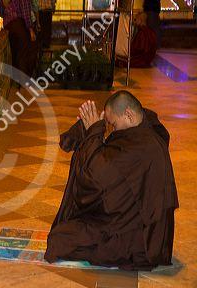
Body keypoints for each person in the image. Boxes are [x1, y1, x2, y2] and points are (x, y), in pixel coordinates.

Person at [44, 91, 179, 271]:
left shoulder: (141, 146)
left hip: (138, 240)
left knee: (60, 239)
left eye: (113, 124)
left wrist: (93, 132)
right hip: (140, 228)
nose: (112, 130)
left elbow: (94, 180)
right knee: (67, 234)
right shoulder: (148, 129)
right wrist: (92, 127)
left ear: (129, 115)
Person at [0, 0, 37, 77]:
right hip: (19, 24)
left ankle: (17, 80)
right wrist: (31, 29)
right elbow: (25, 12)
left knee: (14, 52)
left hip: (8, 26)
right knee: (24, 53)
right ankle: (24, 79)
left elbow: (0, 11)